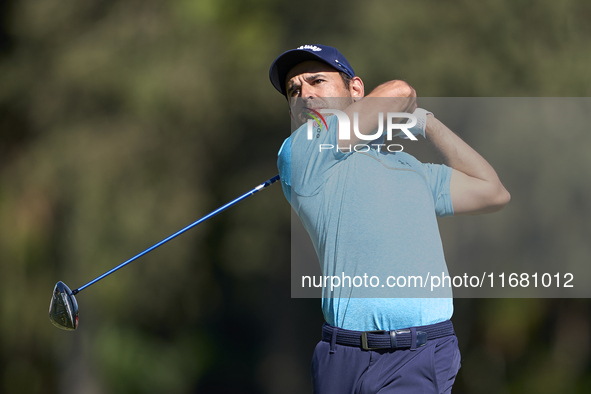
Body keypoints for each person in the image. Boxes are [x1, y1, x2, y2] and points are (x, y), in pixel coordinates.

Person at [269, 44, 510, 394]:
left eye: (317, 81)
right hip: (341, 356)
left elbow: (492, 192)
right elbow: (400, 91)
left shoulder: (410, 167)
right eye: (294, 90)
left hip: (418, 353)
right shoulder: (299, 153)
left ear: (355, 89)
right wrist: (397, 114)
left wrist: (427, 123)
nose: (304, 93)